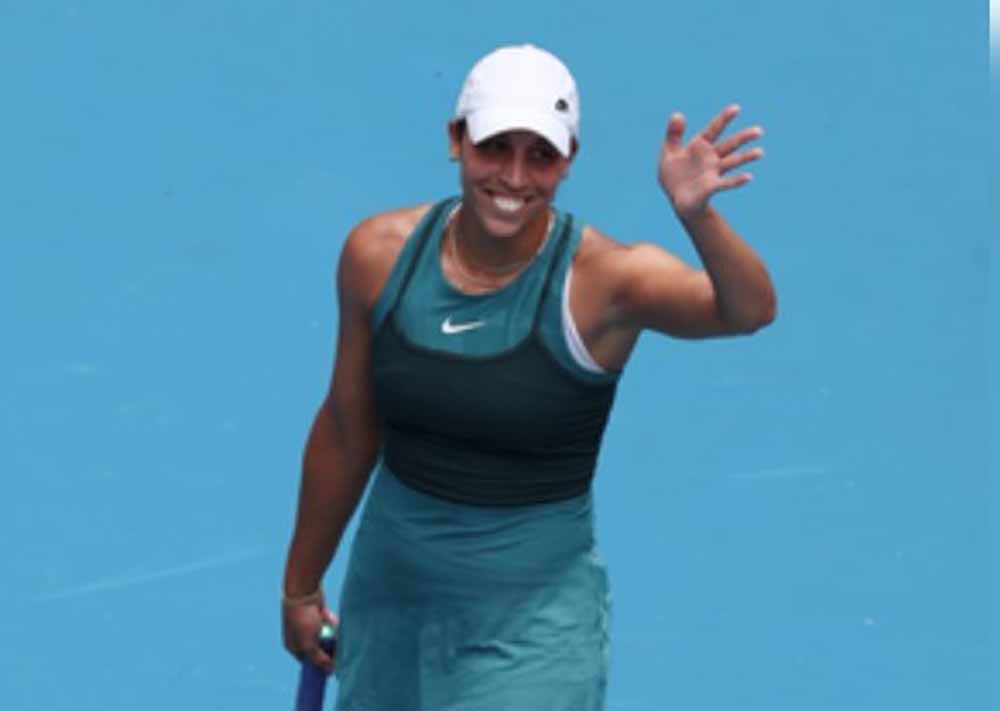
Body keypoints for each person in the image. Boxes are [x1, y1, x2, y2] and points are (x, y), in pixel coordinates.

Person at [281, 44, 776, 710]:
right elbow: (347, 427)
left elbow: (747, 311)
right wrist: (300, 587)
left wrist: (699, 217)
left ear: (569, 160)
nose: (515, 177)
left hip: (531, 625)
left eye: (541, 155)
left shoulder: (607, 281)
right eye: (495, 148)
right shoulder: (378, 255)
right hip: (392, 599)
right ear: (456, 140)